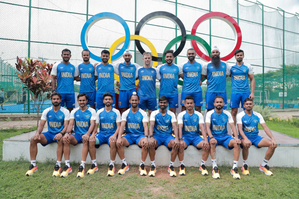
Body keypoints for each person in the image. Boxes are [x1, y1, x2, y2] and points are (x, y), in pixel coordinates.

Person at [25, 92, 69, 176]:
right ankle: (33, 164)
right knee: (33, 139)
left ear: (60, 100)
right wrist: (37, 133)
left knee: (60, 139)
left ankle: (58, 165)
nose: (56, 100)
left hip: (60, 134)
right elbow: (41, 125)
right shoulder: (47, 111)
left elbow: (66, 126)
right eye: (54, 99)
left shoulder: (65, 111)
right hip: (50, 134)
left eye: (57, 99)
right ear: (51, 100)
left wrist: (61, 133)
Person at [237, 98, 277, 176]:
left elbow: (265, 127)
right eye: (247, 104)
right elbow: (240, 129)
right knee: (246, 144)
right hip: (244, 137)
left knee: (272, 144)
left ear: (253, 105)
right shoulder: (240, 115)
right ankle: (245, 165)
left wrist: (273, 139)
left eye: (250, 104)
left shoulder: (258, 115)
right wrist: (245, 139)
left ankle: (263, 165)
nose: (248, 105)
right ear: (244, 105)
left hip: (255, 137)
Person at [205, 96, 241, 179]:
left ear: (224, 104)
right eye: (217, 102)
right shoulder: (209, 113)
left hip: (225, 137)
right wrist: (211, 137)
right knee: (212, 142)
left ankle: (234, 168)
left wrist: (236, 137)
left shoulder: (227, 113)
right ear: (214, 103)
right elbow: (207, 127)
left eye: (221, 102)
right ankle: (214, 167)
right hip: (214, 137)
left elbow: (232, 126)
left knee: (236, 143)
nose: (219, 104)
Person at [61, 93, 96, 178]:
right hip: (77, 135)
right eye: (80, 100)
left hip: (87, 134)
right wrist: (67, 133)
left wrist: (88, 134)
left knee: (85, 139)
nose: (82, 102)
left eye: (83, 100)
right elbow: (71, 124)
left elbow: (92, 124)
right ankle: (68, 165)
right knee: (65, 139)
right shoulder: (74, 111)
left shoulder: (92, 111)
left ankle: (82, 165)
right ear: (77, 101)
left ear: (87, 101)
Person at [88, 92, 121, 177]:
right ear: (103, 101)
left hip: (112, 134)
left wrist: (114, 135)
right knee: (91, 141)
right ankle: (94, 164)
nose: (108, 101)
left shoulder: (116, 112)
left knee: (113, 142)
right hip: (102, 134)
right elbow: (96, 126)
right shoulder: (99, 112)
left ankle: (112, 164)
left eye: (109, 99)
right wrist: (92, 134)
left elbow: (119, 127)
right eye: (106, 99)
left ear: (112, 101)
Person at [116, 92, 149, 176]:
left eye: (136, 100)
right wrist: (119, 137)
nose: (134, 101)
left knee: (145, 143)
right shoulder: (125, 113)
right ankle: (124, 164)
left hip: (140, 136)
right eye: (132, 100)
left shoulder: (143, 113)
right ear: (130, 101)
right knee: (118, 142)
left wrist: (146, 137)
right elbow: (122, 126)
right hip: (129, 136)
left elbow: (145, 126)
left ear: (139, 101)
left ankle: (142, 164)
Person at [177, 96, 210, 176]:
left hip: (196, 137)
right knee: (180, 145)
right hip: (185, 137)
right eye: (187, 103)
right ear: (184, 104)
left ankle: (202, 165)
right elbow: (180, 128)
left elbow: (202, 127)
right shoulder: (181, 115)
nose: (189, 105)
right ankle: (182, 165)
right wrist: (180, 139)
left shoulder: (199, 115)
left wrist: (205, 139)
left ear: (194, 104)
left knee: (206, 145)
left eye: (191, 103)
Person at [148, 96, 179, 177]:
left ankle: (171, 166)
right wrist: (151, 137)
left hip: (168, 136)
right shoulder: (154, 113)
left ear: (167, 104)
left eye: (164, 102)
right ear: (158, 103)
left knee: (175, 144)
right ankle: (153, 165)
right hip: (157, 136)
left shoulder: (171, 114)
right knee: (151, 143)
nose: (163, 104)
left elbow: (175, 126)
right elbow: (151, 125)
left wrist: (176, 138)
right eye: (161, 102)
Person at [230, 49, 255, 125]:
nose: (239, 56)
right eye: (237, 55)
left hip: (245, 92)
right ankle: (234, 132)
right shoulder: (231, 67)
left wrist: (252, 93)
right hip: (235, 92)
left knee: (246, 111)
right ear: (235, 57)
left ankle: (245, 131)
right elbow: (225, 76)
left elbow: (252, 79)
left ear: (243, 56)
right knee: (234, 111)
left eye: (241, 55)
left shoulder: (247, 66)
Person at [202, 46, 230, 111]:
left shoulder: (225, 64)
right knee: (210, 110)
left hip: (222, 91)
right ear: (211, 54)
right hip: (211, 91)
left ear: (219, 53)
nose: (215, 53)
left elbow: (227, 75)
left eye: (216, 52)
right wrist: (210, 79)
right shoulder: (206, 65)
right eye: (213, 52)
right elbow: (203, 75)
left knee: (223, 110)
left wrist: (219, 79)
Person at [113, 50, 140, 114]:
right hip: (122, 90)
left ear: (131, 56)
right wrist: (115, 82)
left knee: (133, 108)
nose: (127, 57)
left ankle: (132, 122)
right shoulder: (119, 65)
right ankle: (124, 123)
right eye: (126, 55)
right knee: (123, 109)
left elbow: (142, 72)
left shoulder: (135, 66)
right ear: (123, 56)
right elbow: (109, 69)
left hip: (132, 90)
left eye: (128, 55)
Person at [179, 48, 203, 112]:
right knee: (184, 108)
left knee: (198, 108)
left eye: (192, 53)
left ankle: (198, 122)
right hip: (186, 91)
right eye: (189, 54)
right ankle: (183, 122)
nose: (191, 55)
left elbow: (204, 74)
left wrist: (199, 80)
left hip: (197, 91)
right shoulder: (183, 65)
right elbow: (182, 76)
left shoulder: (200, 65)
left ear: (195, 54)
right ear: (187, 55)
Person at [137, 52, 158, 116]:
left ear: (151, 59)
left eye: (149, 58)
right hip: (141, 96)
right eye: (146, 58)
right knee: (141, 114)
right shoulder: (139, 69)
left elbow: (160, 79)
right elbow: (134, 79)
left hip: (152, 96)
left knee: (152, 115)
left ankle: (150, 126)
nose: (147, 59)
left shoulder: (155, 70)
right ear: (143, 59)